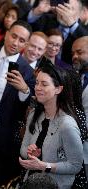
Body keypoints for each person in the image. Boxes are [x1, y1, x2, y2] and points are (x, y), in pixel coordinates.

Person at [0, 20, 35, 188]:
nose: (15, 43)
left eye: (22, 40)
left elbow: (30, 103)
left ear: (26, 44)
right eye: (14, 36)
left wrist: (24, 89)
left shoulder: (28, 72)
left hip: (4, 130)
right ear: (7, 33)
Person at [19, 64, 83, 189]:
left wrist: (44, 165)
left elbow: (75, 165)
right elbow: (23, 149)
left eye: (44, 84)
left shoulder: (67, 125)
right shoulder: (34, 114)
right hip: (30, 183)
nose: (37, 88)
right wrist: (31, 153)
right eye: (37, 83)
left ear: (58, 89)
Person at [71, 36, 88, 178]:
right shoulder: (76, 77)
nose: (75, 56)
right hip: (73, 151)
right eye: (73, 53)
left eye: (79, 52)